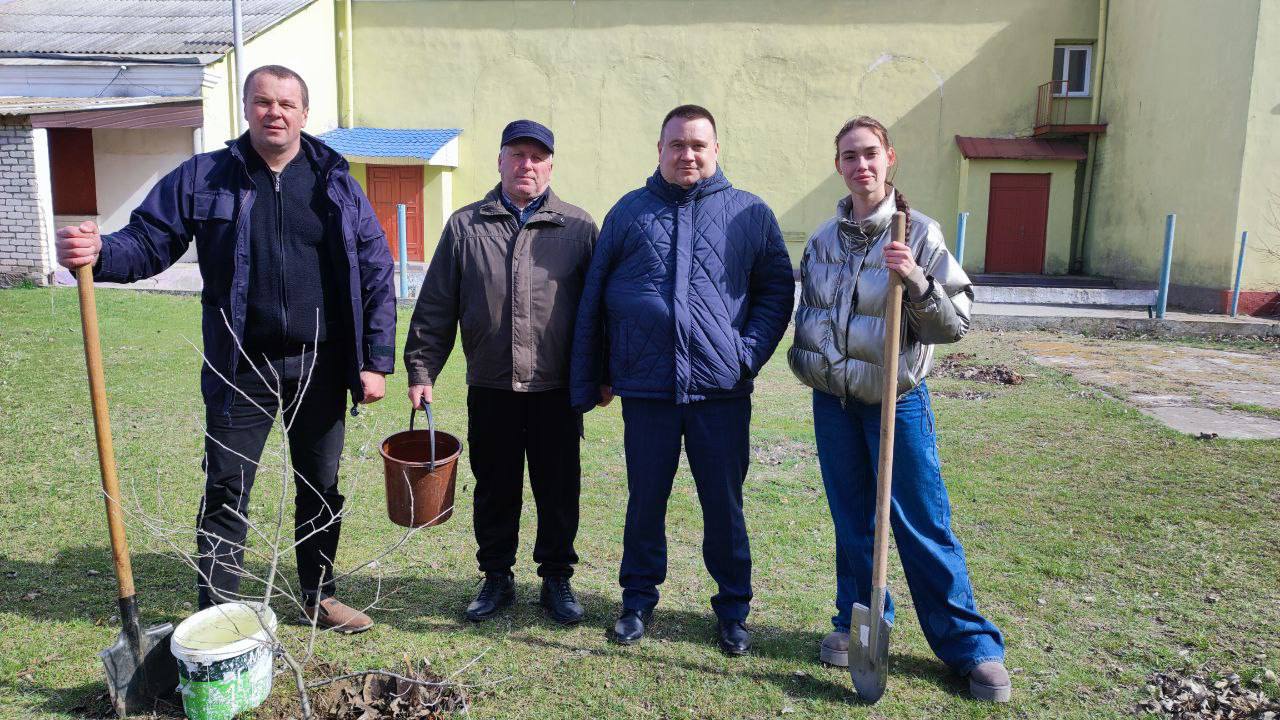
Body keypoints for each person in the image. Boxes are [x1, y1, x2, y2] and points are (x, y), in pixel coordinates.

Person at [54, 65, 395, 633]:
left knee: (321, 487)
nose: (275, 113)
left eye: (287, 103)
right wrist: (99, 251)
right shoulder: (205, 176)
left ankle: (318, 596)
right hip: (241, 365)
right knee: (227, 486)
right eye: (263, 101)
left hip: (321, 362)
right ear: (246, 107)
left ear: (305, 114)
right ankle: (219, 611)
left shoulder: (335, 179)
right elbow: (147, 242)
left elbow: (375, 269)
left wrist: (374, 360)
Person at [787, 115, 1011, 701]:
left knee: (920, 523)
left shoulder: (921, 235)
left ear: (890, 158)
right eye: (848, 156)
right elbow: (811, 315)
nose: (860, 165)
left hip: (896, 402)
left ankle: (970, 647)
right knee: (853, 522)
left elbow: (955, 323)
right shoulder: (822, 240)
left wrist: (914, 278)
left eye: (869, 154)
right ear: (837, 165)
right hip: (835, 403)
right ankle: (859, 626)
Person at [570, 105, 794, 655]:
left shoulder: (750, 214)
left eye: (698, 144)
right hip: (647, 390)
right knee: (645, 500)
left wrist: (745, 355)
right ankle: (637, 600)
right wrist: (595, 375)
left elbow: (776, 291)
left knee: (724, 503)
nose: (687, 154)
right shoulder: (629, 212)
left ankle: (734, 610)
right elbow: (594, 299)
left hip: (721, 391)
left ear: (716, 150)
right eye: (676, 144)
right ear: (660, 149)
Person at [404, 120, 598, 625]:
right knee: (494, 485)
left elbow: (599, 311)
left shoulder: (578, 228)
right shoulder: (466, 226)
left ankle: (557, 577)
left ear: (551, 165)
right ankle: (496, 576)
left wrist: (601, 372)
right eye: (517, 155)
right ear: (500, 160)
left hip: (556, 389)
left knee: (559, 487)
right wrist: (422, 368)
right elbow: (436, 305)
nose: (526, 165)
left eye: (537, 157)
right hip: (490, 385)